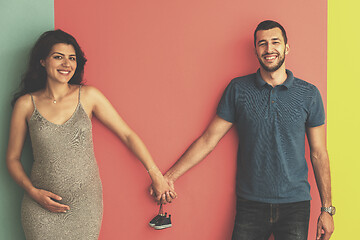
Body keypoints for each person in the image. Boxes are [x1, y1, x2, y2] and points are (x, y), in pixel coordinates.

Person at [150, 20, 334, 240]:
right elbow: (209, 139)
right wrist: (168, 177)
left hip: (295, 205)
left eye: (275, 42)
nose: (269, 49)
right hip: (250, 205)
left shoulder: (309, 94)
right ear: (255, 50)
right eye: (262, 43)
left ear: (286, 47)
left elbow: (318, 153)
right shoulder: (238, 89)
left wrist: (327, 209)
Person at [6, 29, 175, 240]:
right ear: (42, 61)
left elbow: (127, 134)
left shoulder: (88, 96)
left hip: (85, 207)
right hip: (41, 208)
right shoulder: (25, 104)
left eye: (72, 58)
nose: (67, 64)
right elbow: (12, 159)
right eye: (58, 57)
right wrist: (32, 192)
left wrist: (156, 175)